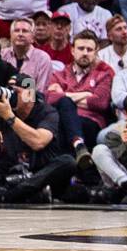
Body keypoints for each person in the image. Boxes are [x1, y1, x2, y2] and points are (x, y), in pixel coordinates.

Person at [0, 72, 75, 203]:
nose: (11, 96)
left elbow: (38, 142)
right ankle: (27, 194)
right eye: (9, 91)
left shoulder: (47, 112)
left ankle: (7, 194)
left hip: (38, 171)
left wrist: (9, 117)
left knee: (68, 162)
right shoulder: (5, 110)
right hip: (9, 172)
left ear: (29, 94)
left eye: (15, 92)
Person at [45, 30, 113, 167]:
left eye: (89, 49)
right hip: (62, 120)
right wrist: (86, 94)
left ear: (96, 52)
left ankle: (65, 172)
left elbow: (100, 102)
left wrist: (64, 94)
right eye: (81, 48)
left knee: (64, 109)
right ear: (72, 50)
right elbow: (50, 99)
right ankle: (79, 150)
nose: (85, 53)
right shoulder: (60, 74)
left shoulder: (103, 75)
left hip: (91, 121)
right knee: (62, 112)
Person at [0, 16, 54, 93]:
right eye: (16, 30)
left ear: (33, 38)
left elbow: (41, 92)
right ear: (11, 35)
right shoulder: (2, 55)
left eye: (25, 31)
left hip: (32, 101)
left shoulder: (43, 59)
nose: (20, 34)